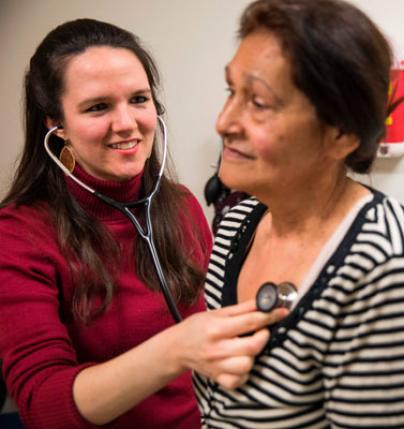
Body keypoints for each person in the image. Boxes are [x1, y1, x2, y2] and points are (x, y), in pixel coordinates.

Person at [0, 19, 286, 429]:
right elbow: (43, 406)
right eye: (98, 107)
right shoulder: (18, 234)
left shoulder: (182, 205)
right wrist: (175, 350)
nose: (127, 123)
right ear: (55, 125)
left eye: (138, 99)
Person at [193, 1, 404, 428]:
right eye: (231, 92)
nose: (224, 122)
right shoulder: (236, 226)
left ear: (340, 135)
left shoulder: (389, 272)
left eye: (259, 102)